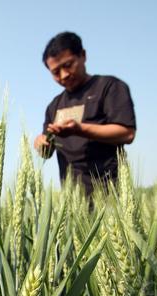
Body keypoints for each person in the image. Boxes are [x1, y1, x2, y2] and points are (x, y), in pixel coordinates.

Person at [34, 31, 136, 196]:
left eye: (68, 65)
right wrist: (41, 143)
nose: (64, 75)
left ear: (83, 55)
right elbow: (47, 150)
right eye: (55, 72)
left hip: (111, 193)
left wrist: (79, 129)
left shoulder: (109, 87)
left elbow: (127, 133)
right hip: (72, 198)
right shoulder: (54, 105)